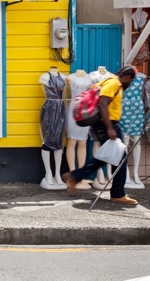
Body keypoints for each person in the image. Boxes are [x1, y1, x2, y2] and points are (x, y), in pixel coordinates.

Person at [62, 65, 138, 205]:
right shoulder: (113, 82)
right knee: (119, 159)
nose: (130, 83)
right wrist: (110, 128)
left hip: (105, 124)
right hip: (107, 124)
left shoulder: (109, 81)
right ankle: (118, 194)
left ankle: (75, 176)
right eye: (131, 81)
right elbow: (103, 104)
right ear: (127, 77)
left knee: (106, 156)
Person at [38, 67, 67, 190]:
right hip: (49, 108)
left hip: (60, 107)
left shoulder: (64, 77)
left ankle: (57, 173)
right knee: (48, 138)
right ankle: (48, 172)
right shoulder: (45, 77)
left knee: (59, 140)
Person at [65, 69, 92, 190]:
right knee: (72, 141)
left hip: (85, 110)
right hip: (73, 109)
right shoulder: (70, 77)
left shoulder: (90, 78)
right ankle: (72, 174)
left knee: (83, 142)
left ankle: (81, 176)